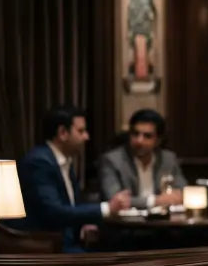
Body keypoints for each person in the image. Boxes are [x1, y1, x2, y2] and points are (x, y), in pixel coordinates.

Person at [7, 105, 130, 251]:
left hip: (66, 241)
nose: (86, 137)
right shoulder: (39, 162)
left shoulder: (62, 160)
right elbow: (54, 212)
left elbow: (71, 205)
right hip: (46, 246)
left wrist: (84, 224)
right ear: (63, 133)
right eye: (81, 131)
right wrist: (106, 208)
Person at [98, 108, 186, 209]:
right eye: (135, 134)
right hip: (125, 223)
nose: (139, 141)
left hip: (162, 221)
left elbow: (182, 192)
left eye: (147, 136)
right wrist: (155, 201)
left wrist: (176, 197)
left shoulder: (168, 159)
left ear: (158, 140)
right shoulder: (112, 160)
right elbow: (115, 200)